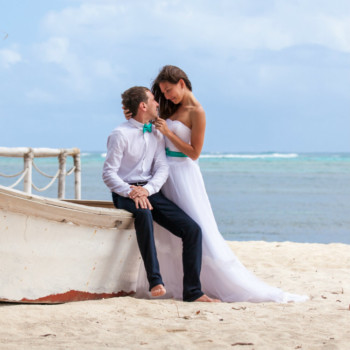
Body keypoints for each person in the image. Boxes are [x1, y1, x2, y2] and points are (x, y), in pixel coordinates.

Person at [125, 66, 308, 303]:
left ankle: (203, 285)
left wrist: (169, 134)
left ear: (182, 83)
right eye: (163, 92)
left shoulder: (197, 112)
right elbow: (146, 118)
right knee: (167, 234)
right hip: (161, 174)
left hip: (184, 175)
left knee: (199, 229)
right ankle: (173, 283)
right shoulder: (169, 107)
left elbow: (194, 153)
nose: (167, 96)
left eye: (169, 90)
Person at [102, 86, 219, 303]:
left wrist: (146, 190)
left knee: (192, 230)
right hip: (124, 193)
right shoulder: (119, 134)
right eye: (154, 99)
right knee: (143, 213)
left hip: (150, 190)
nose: (158, 103)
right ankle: (155, 280)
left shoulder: (155, 132)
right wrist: (131, 191)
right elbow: (109, 174)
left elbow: (162, 168)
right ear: (143, 106)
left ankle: (193, 291)